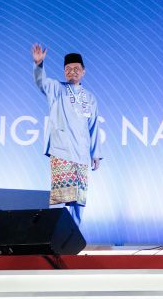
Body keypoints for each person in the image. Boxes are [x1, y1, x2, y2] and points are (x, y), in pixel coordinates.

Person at [31, 43, 102, 224]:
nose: (72, 72)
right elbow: (42, 82)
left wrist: (95, 154)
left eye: (76, 69)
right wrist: (39, 64)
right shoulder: (57, 89)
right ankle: (53, 235)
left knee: (79, 201)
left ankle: (74, 235)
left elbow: (94, 126)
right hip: (62, 151)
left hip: (82, 154)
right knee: (60, 199)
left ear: (83, 71)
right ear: (64, 72)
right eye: (68, 69)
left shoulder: (90, 98)